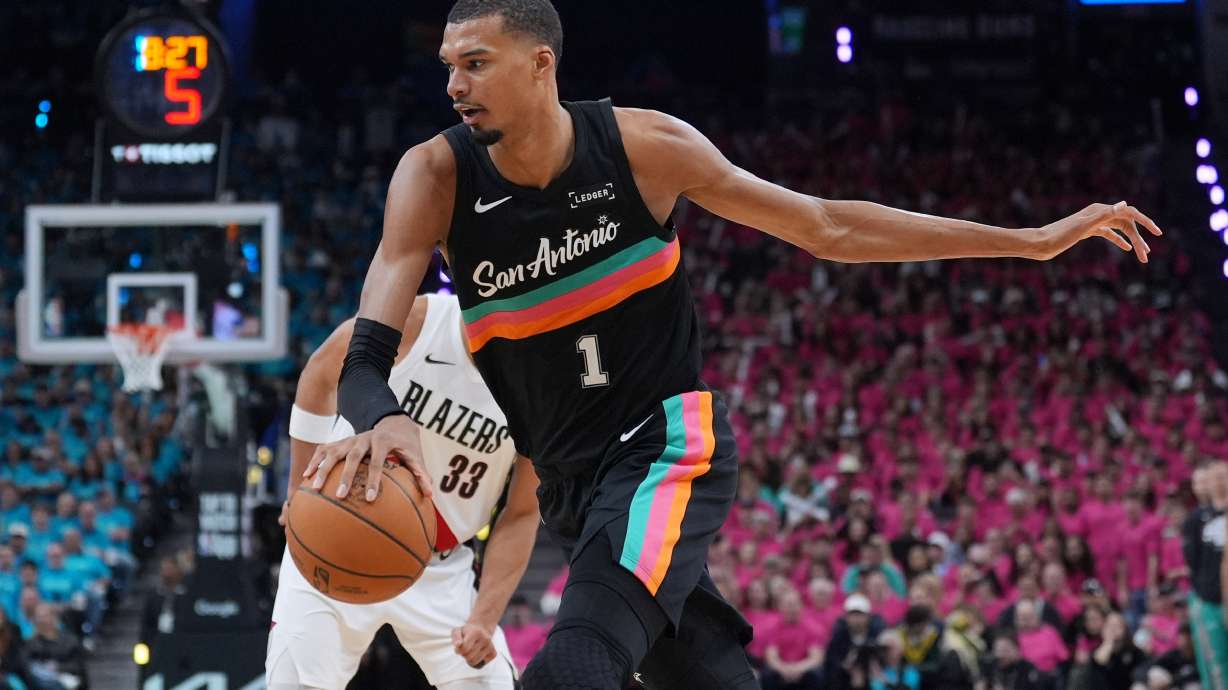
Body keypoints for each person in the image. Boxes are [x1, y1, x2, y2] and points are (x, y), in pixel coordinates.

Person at [303, 1, 1162, 687]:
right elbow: (369, 344)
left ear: (541, 64)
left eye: (475, 62)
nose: (453, 82)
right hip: (570, 484)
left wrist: (1032, 240)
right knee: (708, 676)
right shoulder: (436, 176)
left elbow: (828, 227)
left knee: (571, 670)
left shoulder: (645, 149)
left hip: (663, 451)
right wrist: (380, 415)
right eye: (448, 64)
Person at [268, 293, 539, 689]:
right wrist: (298, 489)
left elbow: (522, 513)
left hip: (441, 565)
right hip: (341, 532)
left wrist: (484, 616)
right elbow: (321, 372)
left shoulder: (542, 379)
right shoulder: (418, 320)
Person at [1183, 463, 1227, 690]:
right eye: (1215, 478)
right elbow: (1194, 563)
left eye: (1223, 477)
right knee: (1216, 664)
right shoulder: (1195, 520)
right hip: (1209, 600)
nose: (1219, 483)